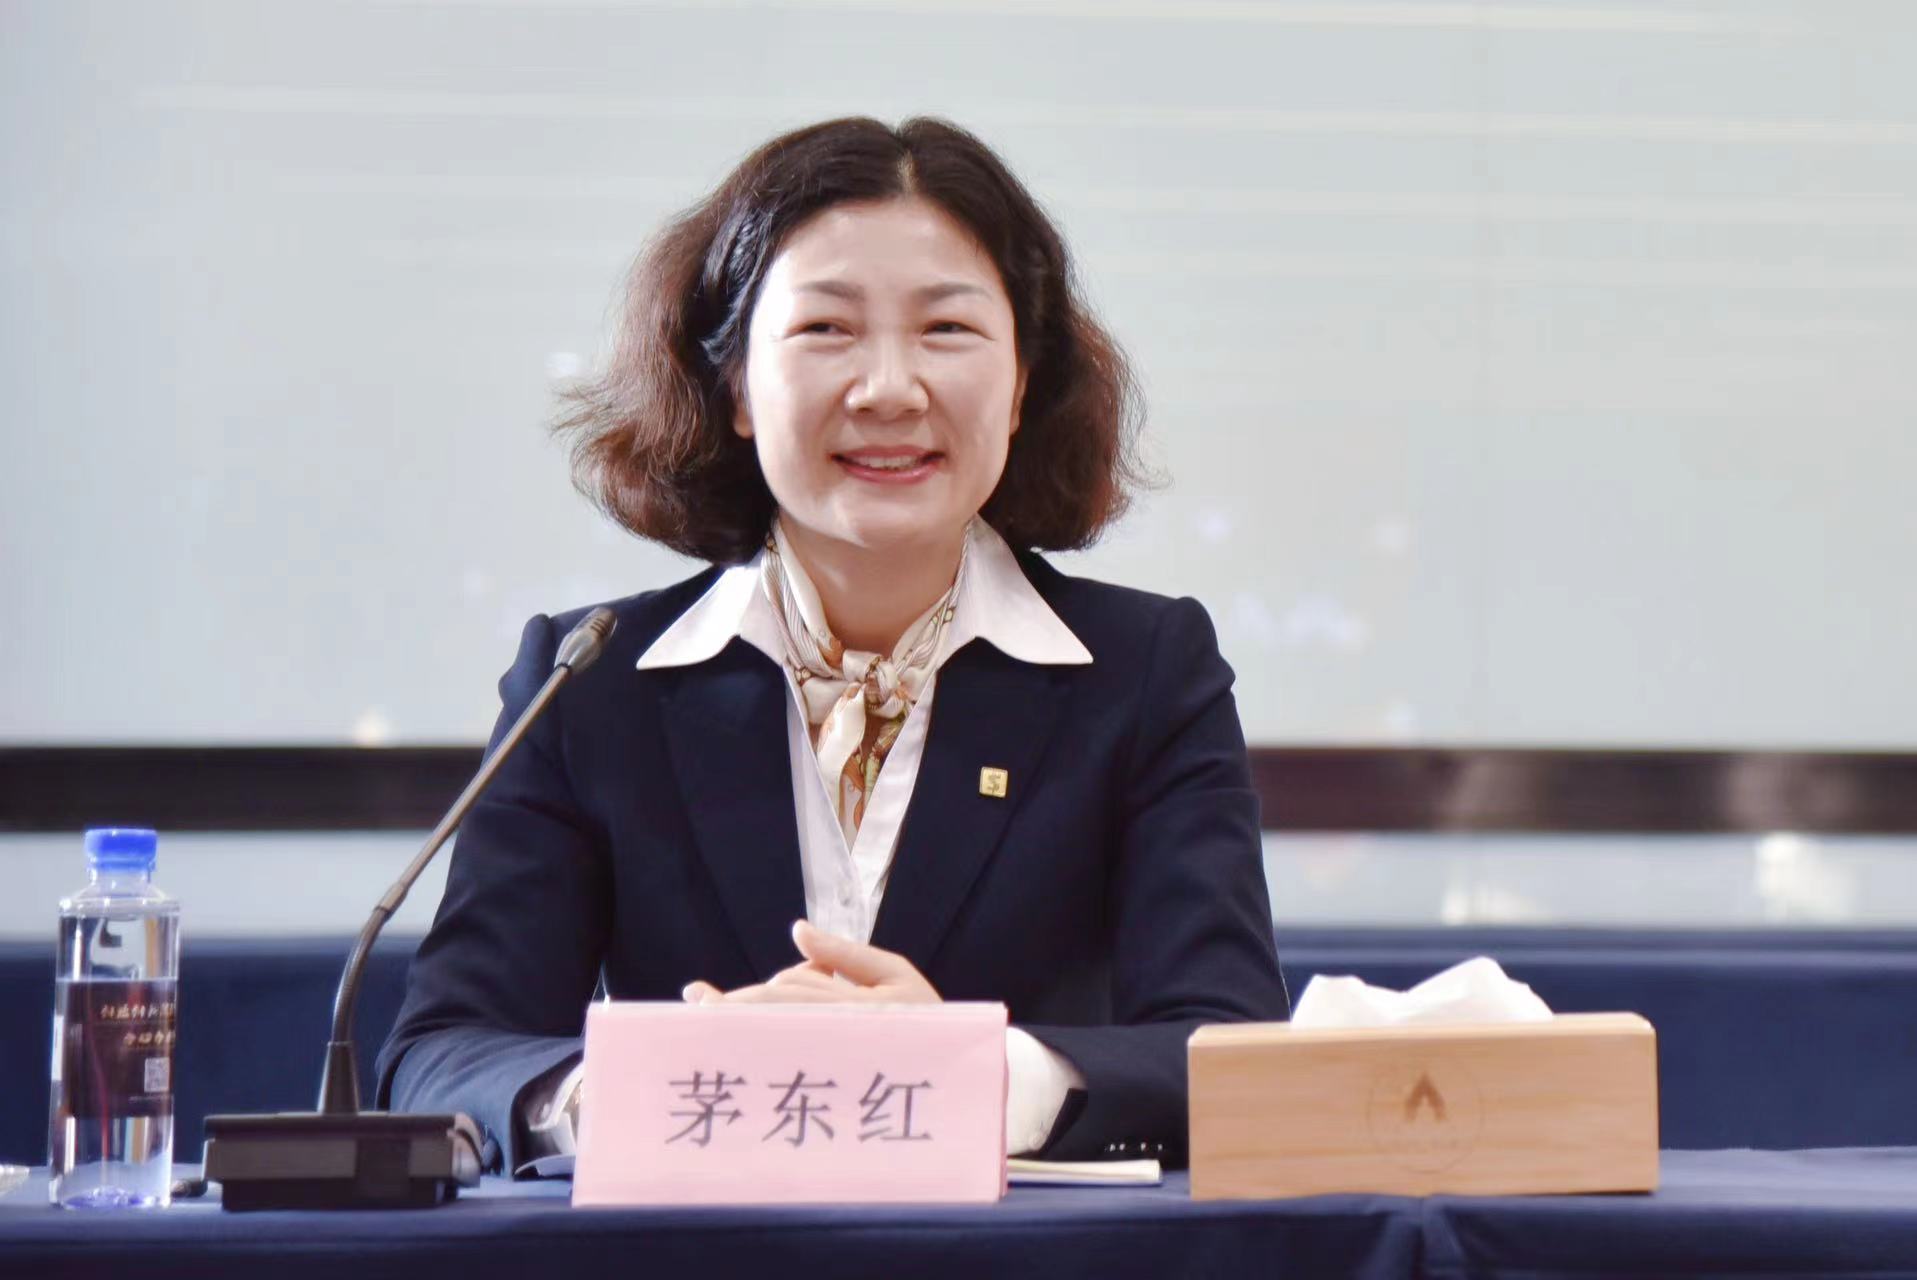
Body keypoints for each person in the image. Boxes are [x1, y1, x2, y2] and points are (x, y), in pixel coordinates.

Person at [376, 116, 1288, 1175]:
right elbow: (441, 1055)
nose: (889, 388)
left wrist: (971, 1072)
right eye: (826, 328)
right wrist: (654, 1086)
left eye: (946, 328)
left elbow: (1232, 1054)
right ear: (734, 387)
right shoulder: (591, 680)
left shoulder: (1146, 672)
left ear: (1023, 382)